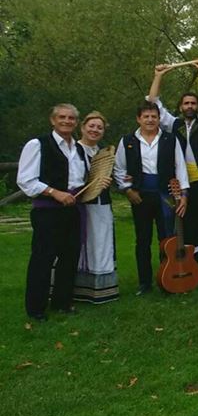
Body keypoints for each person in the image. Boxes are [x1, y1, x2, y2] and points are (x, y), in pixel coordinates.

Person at [148, 60, 198, 285]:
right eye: (186, 103)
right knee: (189, 227)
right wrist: (158, 76)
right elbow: (153, 104)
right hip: (183, 186)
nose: (189, 106)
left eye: (193, 103)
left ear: (197, 106)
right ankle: (195, 269)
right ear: (181, 107)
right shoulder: (173, 125)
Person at [17, 104, 86, 320]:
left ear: (76, 122)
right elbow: (26, 180)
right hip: (47, 211)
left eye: (71, 118)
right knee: (43, 258)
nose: (67, 121)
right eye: (62, 117)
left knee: (69, 256)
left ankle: (62, 302)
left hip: (73, 209)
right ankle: (36, 308)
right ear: (53, 120)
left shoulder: (78, 148)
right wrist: (54, 192)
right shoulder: (38, 144)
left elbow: (79, 178)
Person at [114, 100, 189, 296]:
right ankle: (145, 282)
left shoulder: (170, 139)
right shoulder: (127, 141)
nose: (150, 120)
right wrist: (128, 190)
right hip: (141, 196)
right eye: (146, 116)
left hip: (166, 195)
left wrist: (183, 195)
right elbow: (119, 169)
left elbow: (180, 166)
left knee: (167, 239)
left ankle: (168, 277)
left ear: (158, 119)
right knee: (143, 239)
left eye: (154, 116)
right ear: (138, 119)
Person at [74, 111, 119, 304]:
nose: (95, 130)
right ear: (83, 127)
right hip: (79, 207)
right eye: (91, 126)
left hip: (101, 206)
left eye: (99, 127)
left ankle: (100, 291)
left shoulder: (102, 154)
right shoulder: (73, 150)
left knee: (101, 243)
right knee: (81, 245)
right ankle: (77, 289)